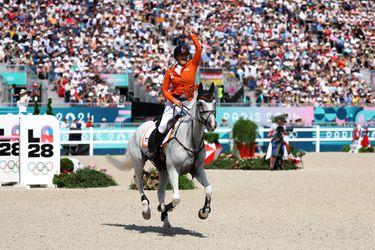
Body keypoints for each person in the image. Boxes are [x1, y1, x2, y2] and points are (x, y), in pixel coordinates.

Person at [152, 25, 202, 150]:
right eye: (181, 55)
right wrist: (174, 100)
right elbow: (164, 90)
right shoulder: (170, 72)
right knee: (163, 125)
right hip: (175, 103)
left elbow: (199, 49)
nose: (184, 57)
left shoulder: (193, 64)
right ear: (176, 57)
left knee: (199, 123)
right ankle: (154, 150)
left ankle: (197, 150)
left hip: (190, 102)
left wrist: (192, 36)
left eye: (185, 55)